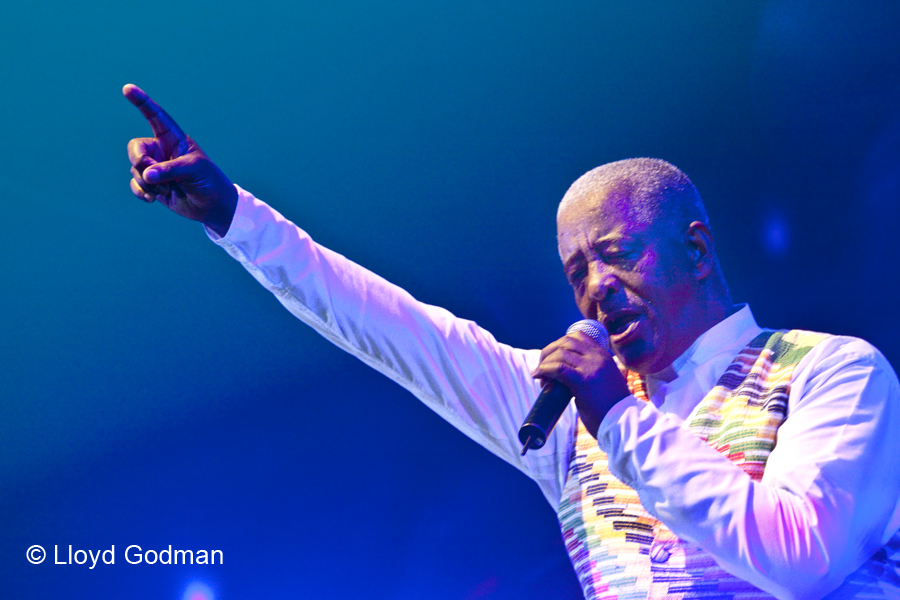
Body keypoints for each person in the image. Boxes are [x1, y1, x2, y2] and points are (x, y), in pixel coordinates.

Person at [123, 83, 900, 599]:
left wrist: (620, 421)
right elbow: (386, 326)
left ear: (696, 249)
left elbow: (801, 555)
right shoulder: (569, 419)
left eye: (618, 253)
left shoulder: (832, 372)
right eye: (576, 271)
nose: (595, 286)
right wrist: (235, 218)